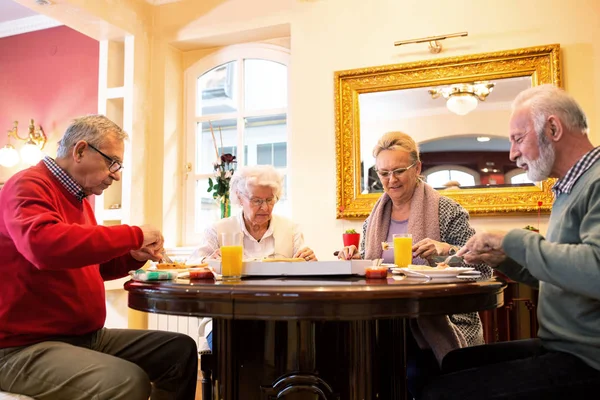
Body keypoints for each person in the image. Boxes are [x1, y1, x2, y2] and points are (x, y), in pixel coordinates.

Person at [421, 85, 600, 399]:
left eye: (518, 139)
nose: (512, 154)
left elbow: (595, 272)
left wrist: (514, 239)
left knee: (440, 392)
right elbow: (560, 275)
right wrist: (503, 257)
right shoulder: (569, 189)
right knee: (450, 363)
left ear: (554, 128)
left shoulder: (596, 182)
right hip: (559, 346)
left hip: (588, 359)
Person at [0, 115, 198, 400]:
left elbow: (87, 263)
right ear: (80, 151)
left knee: (179, 351)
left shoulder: (77, 198)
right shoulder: (27, 186)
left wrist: (131, 255)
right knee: (126, 382)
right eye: (111, 162)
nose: (116, 174)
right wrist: (132, 235)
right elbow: (43, 247)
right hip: (24, 347)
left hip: (85, 336)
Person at [338, 131, 492, 399]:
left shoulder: (448, 211)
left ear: (417, 167)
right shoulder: (372, 220)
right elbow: (371, 269)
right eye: (384, 173)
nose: (391, 180)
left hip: (442, 321)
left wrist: (447, 251)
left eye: (398, 171)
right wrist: (354, 259)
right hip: (384, 324)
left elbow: (484, 271)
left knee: (416, 375)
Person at [190, 164, 317, 350]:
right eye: (256, 200)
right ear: (239, 197)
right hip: (227, 315)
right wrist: (209, 262)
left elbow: (307, 273)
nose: (265, 207)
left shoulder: (290, 230)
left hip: (280, 314)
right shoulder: (218, 230)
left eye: (270, 199)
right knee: (236, 348)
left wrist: (310, 262)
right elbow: (190, 267)